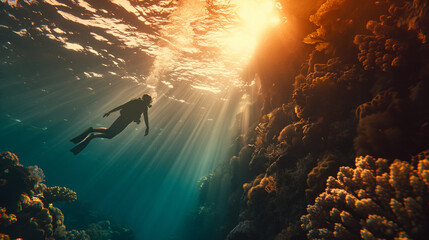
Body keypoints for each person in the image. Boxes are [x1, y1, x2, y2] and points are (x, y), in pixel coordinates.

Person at [70, 94, 152, 155]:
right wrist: (147, 127)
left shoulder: (135, 101)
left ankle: (92, 132)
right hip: (125, 122)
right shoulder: (144, 107)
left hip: (121, 118)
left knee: (109, 132)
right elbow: (146, 117)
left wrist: (110, 112)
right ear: (148, 101)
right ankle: (92, 134)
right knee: (110, 135)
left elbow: (121, 106)